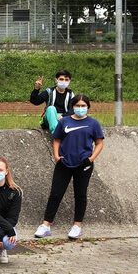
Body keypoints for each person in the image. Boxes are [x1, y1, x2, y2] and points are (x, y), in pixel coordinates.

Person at [34, 94, 103, 240]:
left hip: (83, 164)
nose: (80, 108)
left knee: (80, 194)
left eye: (83, 106)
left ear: (88, 107)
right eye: (77, 106)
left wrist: (91, 159)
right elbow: (57, 140)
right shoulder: (64, 121)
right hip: (64, 163)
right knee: (56, 193)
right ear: (72, 107)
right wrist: (57, 156)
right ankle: (46, 225)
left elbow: (99, 143)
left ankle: (77, 226)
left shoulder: (93, 123)